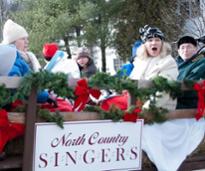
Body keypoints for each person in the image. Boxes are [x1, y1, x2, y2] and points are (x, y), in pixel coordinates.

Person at [176, 35, 205, 109]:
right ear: (178, 51)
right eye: (182, 47)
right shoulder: (172, 65)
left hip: (193, 104)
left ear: (195, 49)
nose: (185, 50)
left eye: (189, 47)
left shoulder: (201, 62)